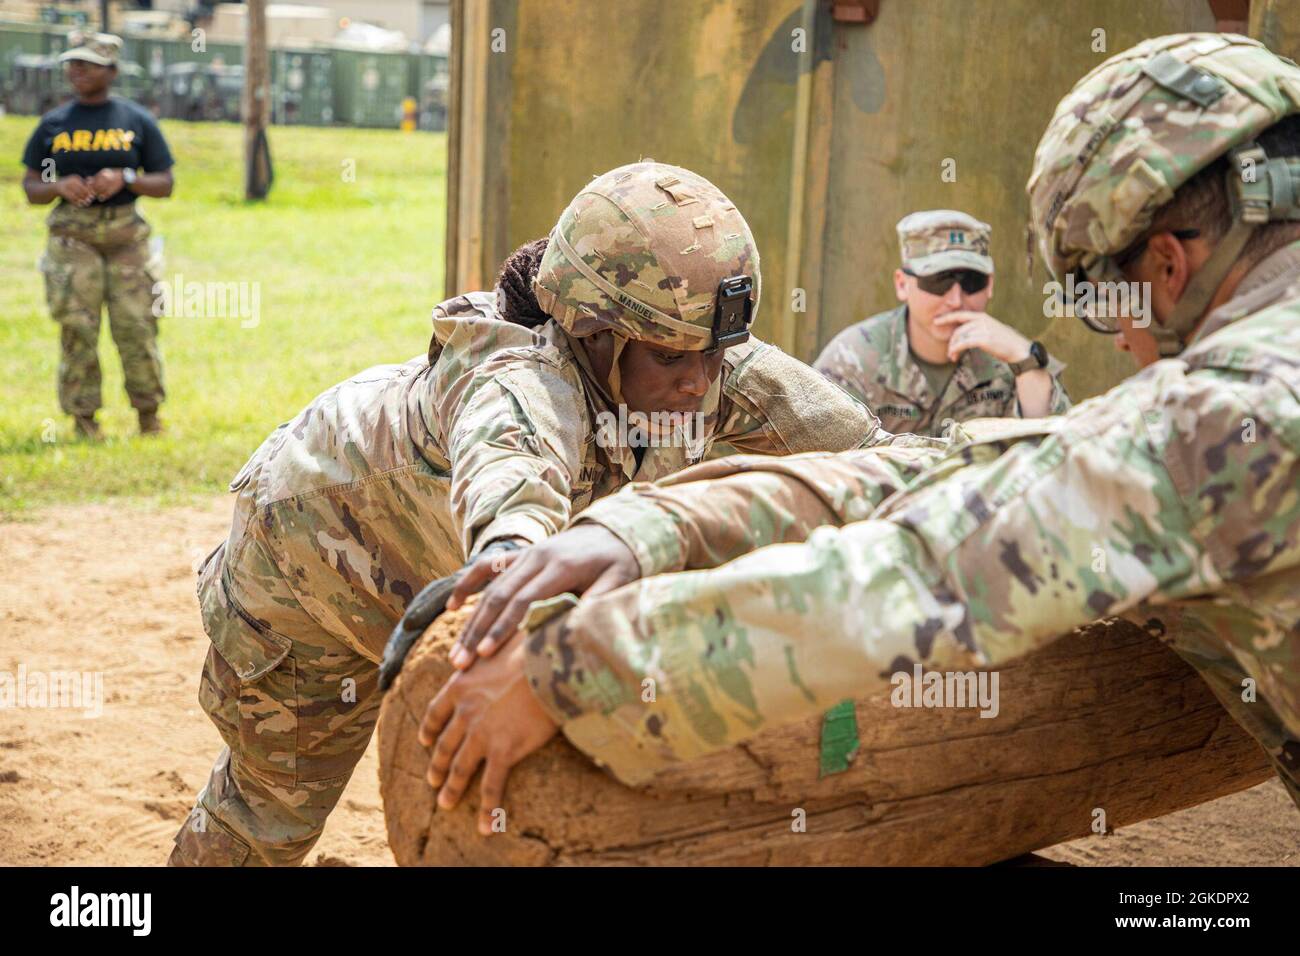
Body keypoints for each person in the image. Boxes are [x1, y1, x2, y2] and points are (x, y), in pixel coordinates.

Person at [416, 34, 1300, 833]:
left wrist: (567, 670)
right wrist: (659, 526)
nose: (1129, 346)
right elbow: (975, 472)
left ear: (1168, 266)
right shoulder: (1244, 397)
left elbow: (916, 577)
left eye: (1104, 311)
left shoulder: (1230, 417)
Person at [169, 161, 900, 865]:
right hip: (306, 567)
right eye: (674, 358)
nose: (700, 383)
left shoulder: (695, 353)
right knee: (271, 815)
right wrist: (512, 565)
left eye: (715, 352)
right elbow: (510, 511)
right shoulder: (520, 384)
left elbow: (880, 456)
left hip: (430, 575)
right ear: (594, 333)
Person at [20, 31, 175, 439]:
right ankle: (84, 421)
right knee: (78, 328)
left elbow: (165, 182)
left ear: (112, 70)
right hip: (74, 238)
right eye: (72, 63)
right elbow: (32, 188)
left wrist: (125, 177)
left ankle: (149, 416)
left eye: (87, 64)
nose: (77, 70)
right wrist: (59, 186)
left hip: (127, 238)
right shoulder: (54, 124)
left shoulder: (135, 120)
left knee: (137, 326)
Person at [814, 210, 1071, 436]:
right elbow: (818, 460)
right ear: (903, 284)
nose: (955, 300)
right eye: (939, 281)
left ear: (990, 284)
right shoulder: (853, 359)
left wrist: (1025, 359)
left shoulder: (1009, 358)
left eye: (971, 282)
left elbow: (1049, 455)